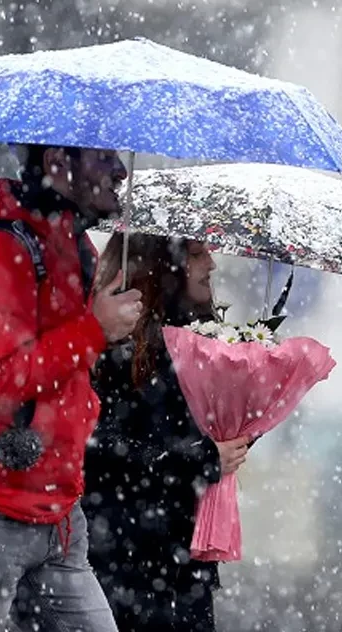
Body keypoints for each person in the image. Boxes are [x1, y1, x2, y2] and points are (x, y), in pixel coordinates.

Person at [0, 145, 141, 632]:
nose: (120, 170)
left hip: (56, 518)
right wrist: (94, 331)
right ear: (59, 159)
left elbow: (67, 372)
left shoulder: (74, 247)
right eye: (102, 157)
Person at [84, 232, 252, 632]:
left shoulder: (203, 341)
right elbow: (96, 447)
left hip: (183, 560)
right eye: (197, 254)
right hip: (120, 557)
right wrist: (202, 459)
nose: (211, 264)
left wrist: (241, 427)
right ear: (163, 266)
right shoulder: (109, 344)